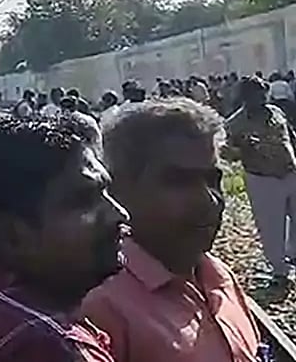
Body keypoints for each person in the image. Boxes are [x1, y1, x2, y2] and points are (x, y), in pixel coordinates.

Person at [82, 98, 261, 362]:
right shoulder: (100, 307)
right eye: (179, 181)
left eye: (213, 180)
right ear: (118, 191)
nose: (210, 200)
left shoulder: (216, 275)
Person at [0, 119, 126, 362]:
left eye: (106, 193)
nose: (119, 214)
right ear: (9, 234)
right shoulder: (42, 344)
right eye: (84, 200)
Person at [224, 75, 296, 281]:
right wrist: (242, 148)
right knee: (271, 225)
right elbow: (224, 152)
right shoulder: (235, 123)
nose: (261, 99)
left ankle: (293, 255)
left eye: (263, 93)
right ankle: (279, 269)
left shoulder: (276, 111)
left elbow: (289, 135)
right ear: (245, 98)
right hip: (263, 178)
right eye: (255, 95)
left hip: (290, 171)